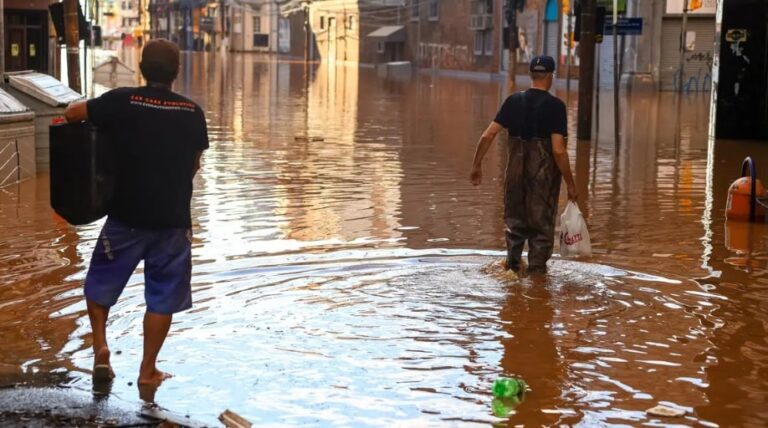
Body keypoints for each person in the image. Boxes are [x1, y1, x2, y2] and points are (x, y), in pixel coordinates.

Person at [64, 39, 209, 387]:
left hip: (125, 217)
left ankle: (101, 348)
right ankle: (148, 371)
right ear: (176, 72)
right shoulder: (192, 112)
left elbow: (72, 114)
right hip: (172, 222)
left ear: (142, 69)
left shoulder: (121, 100)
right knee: (162, 297)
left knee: (100, 284)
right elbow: (193, 165)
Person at [470, 55, 577, 274]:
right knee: (540, 231)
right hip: (543, 182)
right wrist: (571, 183)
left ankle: (512, 271)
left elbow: (487, 136)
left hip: (515, 178)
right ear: (550, 76)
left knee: (515, 227)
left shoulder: (512, 102)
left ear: (530, 75)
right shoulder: (556, 107)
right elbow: (558, 150)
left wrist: (476, 165)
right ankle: (537, 287)